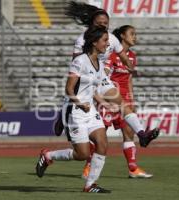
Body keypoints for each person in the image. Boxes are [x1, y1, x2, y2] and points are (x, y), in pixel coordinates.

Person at [54, 1, 159, 148]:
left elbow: (123, 55)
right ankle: (63, 114)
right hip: (86, 79)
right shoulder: (82, 39)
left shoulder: (112, 39)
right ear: (92, 23)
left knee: (123, 105)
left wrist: (130, 67)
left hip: (102, 78)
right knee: (75, 100)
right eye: (99, 23)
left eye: (106, 23)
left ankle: (142, 135)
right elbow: (76, 64)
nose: (103, 25)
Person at [36, 26, 111, 193]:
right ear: (94, 42)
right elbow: (68, 90)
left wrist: (104, 103)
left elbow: (92, 91)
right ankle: (48, 156)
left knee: (103, 143)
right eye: (105, 40)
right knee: (82, 154)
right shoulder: (79, 61)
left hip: (89, 111)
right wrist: (79, 103)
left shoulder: (100, 63)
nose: (107, 44)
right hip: (74, 111)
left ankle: (90, 185)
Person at [82, 25, 153, 179]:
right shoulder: (112, 55)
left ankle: (133, 169)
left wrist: (131, 100)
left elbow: (129, 79)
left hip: (124, 99)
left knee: (129, 133)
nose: (135, 37)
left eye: (136, 34)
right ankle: (88, 166)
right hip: (109, 98)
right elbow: (104, 74)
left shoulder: (132, 56)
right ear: (122, 36)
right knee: (101, 135)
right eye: (132, 34)